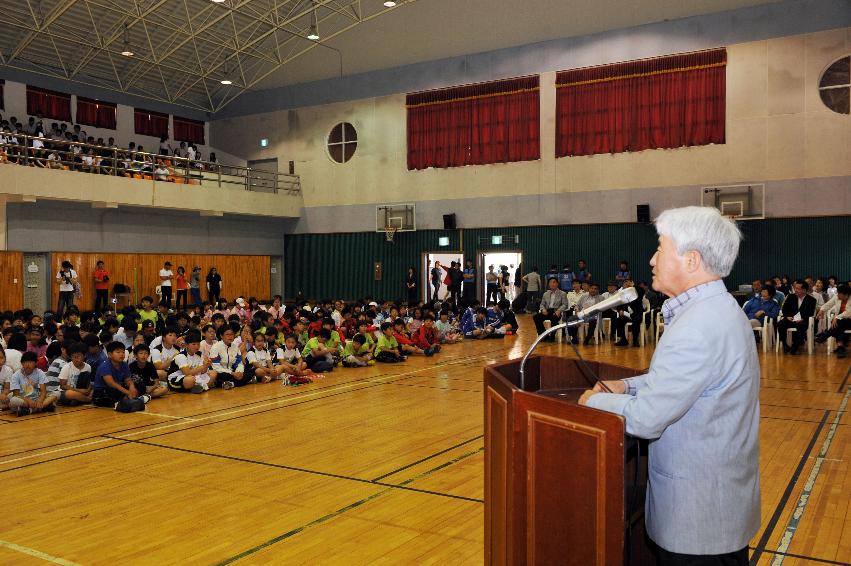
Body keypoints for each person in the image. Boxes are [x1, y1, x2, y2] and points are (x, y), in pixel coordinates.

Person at [579, 206, 759, 565]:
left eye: (661, 248)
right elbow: (679, 380)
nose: (651, 259)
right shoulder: (716, 311)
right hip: (716, 509)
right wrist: (626, 387)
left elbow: (647, 419)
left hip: (697, 521)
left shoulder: (699, 325)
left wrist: (593, 402)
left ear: (691, 261)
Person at [8, 351, 58, 416]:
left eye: (31, 362)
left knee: (56, 394)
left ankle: (29, 410)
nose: (28, 364)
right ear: (22, 363)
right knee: (13, 400)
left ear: (36, 363)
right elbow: (16, 394)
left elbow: (43, 391)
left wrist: (39, 401)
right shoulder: (16, 375)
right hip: (24, 400)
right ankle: (43, 407)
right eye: (25, 362)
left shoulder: (40, 372)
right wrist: (28, 401)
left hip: (37, 398)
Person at [776, 280, 817, 355]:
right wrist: (787, 316)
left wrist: (802, 318)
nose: (795, 290)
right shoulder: (790, 297)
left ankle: (795, 347)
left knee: (801, 326)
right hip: (790, 319)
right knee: (780, 324)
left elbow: (810, 313)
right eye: (795, 288)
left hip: (802, 320)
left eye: (798, 288)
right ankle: (785, 345)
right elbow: (784, 308)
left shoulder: (812, 300)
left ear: (804, 290)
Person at [815, 284, 851, 358]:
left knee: (839, 322)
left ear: (846, 295)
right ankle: (840, 347)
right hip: (840, 322)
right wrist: (821, 310)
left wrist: (837, 317)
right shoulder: (837, 297)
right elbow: (828, 304)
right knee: (839, 324)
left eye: (839, 294)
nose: (837, 295)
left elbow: (849, 312)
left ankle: (826, 335)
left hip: (849, 321)